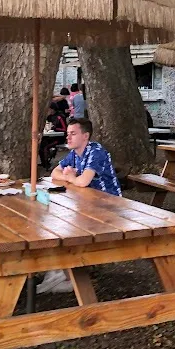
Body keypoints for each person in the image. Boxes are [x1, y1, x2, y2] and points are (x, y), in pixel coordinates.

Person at [43, 118, 121, 294]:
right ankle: (61, 271)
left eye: (73, 134)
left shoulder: (96, 151)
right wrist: (71, 177)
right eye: (67, 134)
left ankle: (67, 275)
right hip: (88, 204)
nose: (68, 138)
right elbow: (54, 173)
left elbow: (84, 181)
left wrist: (71, 177)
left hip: (109, 208)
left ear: (85, 136)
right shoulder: (74, 154)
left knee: (65, 226)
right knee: (56, 221)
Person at [40, 102, 67, 170]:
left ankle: (47, 165)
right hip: (50, 136)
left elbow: (64, 129)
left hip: (59, 138)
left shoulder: (60, 116)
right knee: (41, 145)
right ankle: (44, 162)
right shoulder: (49, 117)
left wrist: (55, 128)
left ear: (52, 109)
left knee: (46, 146)